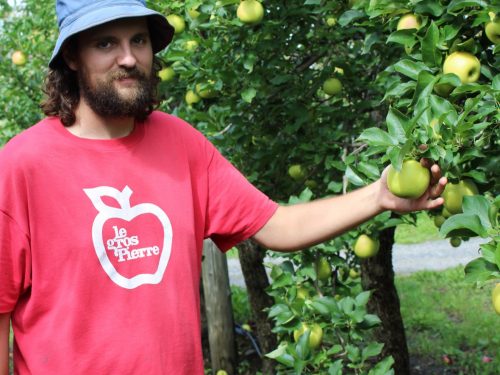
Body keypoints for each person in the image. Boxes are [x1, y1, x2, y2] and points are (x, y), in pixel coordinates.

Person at [0, 1, 447, 374]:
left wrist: (380, 195)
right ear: (72, 56)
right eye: (106, 43)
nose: (130, 58)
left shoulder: (180, 143)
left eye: (139, 39)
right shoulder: (22, 167)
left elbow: (277, 225)